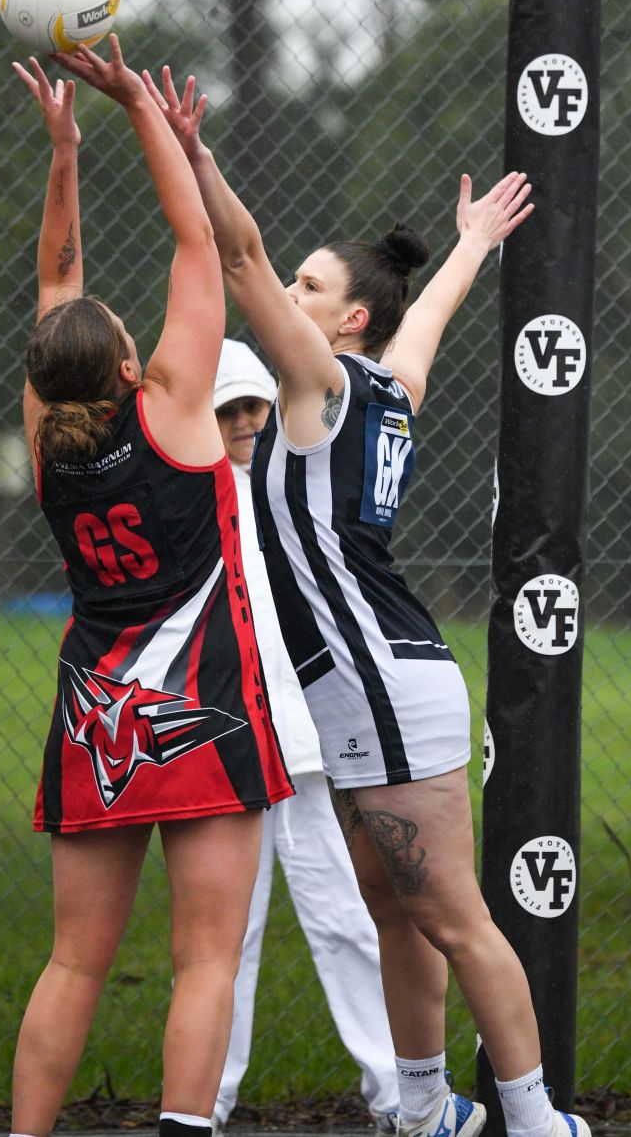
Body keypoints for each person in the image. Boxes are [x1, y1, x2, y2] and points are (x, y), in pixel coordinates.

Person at [139, 61, 591, 1137]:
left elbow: (236, 254)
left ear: (342, 322)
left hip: (378, 682)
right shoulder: (389, 384)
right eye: (290, 284)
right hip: (356, 685)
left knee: (449, 912)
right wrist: (474, 242)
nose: (283, 295)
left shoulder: (323, 385)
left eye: (306, 289)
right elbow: (426, 314)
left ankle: (535, 1119)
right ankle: (429, 1107)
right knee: (396, 911)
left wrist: (191, 150)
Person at [9, 36, 293, 1137]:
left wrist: (62, 155)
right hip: (206, 709)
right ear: (132, 368)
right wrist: (133, 107)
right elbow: (194, 240)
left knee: (74, 964)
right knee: (205, 957)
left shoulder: (50, 446)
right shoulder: (177, 416)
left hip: (96, 715)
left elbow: (56, 285)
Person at [211, 338, 399, 1133]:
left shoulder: (290, 494)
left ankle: (398, 1093)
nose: (248, 421)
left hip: (309, 748)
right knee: (227, 938)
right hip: (230, 748)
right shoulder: (193, 500)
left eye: (256, 404)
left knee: (347, 920)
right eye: (229, 410)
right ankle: (204, 1102)